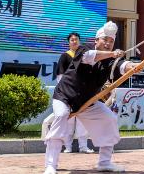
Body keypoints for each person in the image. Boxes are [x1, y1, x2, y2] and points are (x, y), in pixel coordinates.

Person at [43, 21, 138, 174]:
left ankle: (104, 162)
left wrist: (131, 66)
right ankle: (50, 165)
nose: (108, 43)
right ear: (96, 41)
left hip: (87, 102)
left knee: (109, 118)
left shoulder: (110, 60)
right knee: (61, 115)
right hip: (64, 97)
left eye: (111, 41)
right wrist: (113, 53)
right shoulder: (83, 49)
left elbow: (120, 65)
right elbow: (89, 57)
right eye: (105, 40)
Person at [55, 32, 93, 154]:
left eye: (76, 39)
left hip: (82, 93)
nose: (74, 41)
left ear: (79, 41)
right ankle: (68, 146)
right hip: (68, 93)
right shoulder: (65, 56)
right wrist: (65, 93)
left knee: (82, 120)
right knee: (69, 120)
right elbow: (60, 76)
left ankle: (83, 146)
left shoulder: (85, 56)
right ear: (68, 42)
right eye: (72, 40)